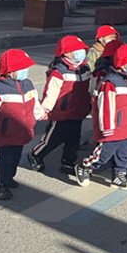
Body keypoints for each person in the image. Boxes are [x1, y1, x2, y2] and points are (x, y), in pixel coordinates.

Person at [75, 43, 127, 190]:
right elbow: (106, 107)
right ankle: (85, 166)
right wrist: (107, 127)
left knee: (124, 153)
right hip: (113, 128)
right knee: (103, 154)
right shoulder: (110, 83)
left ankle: (119, 175)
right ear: (124, 63)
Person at [30, 35, 92, 176]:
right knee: (53, 138)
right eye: (77, 50)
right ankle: (36, 155)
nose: (81, 52)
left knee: (74, 139)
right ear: (67, 53)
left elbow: (88, 88)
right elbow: (51, 92)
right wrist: (46, 109)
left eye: (82, 49)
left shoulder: (85, 68)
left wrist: (89, 103)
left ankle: (68, 162)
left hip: (79, 110)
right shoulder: (59, 71)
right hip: (62, 111)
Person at [0, 49, 46, 200]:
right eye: (21, 68)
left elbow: (34, 103)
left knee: (14, 159)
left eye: (25, 67)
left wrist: (40, 114)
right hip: (3, 136)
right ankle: (1, 185)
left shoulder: (28, 85)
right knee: (2, 161)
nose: (25, 71)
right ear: (9, 71)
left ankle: (9, 178)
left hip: (21, 133)